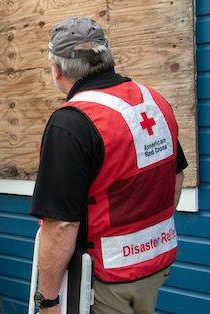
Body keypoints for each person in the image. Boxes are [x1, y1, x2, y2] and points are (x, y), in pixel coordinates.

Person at [30, 17, 188, 314]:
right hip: (154, 264)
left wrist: (48, 299)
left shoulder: (71, 122)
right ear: (106, 57)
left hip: (104, 279)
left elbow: (61, 224)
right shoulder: (152, 100)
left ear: (57, 68)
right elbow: (175, 176)